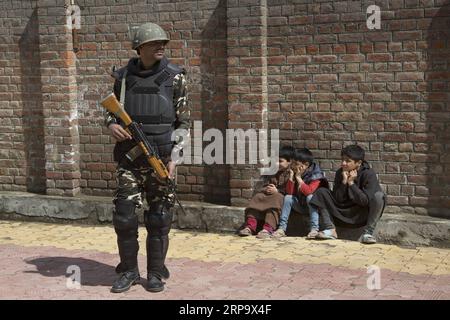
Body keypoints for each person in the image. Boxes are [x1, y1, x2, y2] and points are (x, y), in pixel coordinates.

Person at [104, 22, 190, 293]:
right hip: (129, 160)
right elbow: (111, 112)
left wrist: (175, 158)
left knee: (159, 217)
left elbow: (184, 123)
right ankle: (129, 271)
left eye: (163, 43)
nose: (161, 47)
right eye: (155, 43)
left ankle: (155, 273)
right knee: (125, 217)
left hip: (161, 159)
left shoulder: (175, 78)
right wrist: (110, 125)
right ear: (140, 48)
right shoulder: (124, 77)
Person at [310, 145, 386, 243]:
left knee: (379, 196)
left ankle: (368, 233)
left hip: (360, 213)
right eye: (342, 160)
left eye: (348, 161)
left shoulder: (368, 174)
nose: (343, 163)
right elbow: (338, 199)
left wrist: (351, 184)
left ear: (358, 163)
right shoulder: (340, 173)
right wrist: (344, 182)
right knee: (321, 192)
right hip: (342, 211)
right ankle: (330, 229)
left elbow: (364, 201)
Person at [238, 146, 294, 239]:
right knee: (258, 197)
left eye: (280, 161)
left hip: (281, 197)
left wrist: (278, 191)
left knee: (276, 199)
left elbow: (291, 190)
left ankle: (268, 228)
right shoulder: (272, 172)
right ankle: (250, 226)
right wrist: (266, 189)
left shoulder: (291, 173)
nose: (276, 163)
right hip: (269, 195)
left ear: (289, 162)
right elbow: (263, 185)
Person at [272, 148, 329, 239]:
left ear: (306, 165)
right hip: (300, 205)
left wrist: (298, 178)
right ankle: (282, 228)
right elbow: (289, 193)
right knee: (288, 198)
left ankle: (314, 229)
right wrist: (291, 177)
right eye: (293, 163)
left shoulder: (316, 175)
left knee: (310, 197)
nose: (293, 166)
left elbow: (309, 192)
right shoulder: (294, 172)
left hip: (313, 207)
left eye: (296, 164)